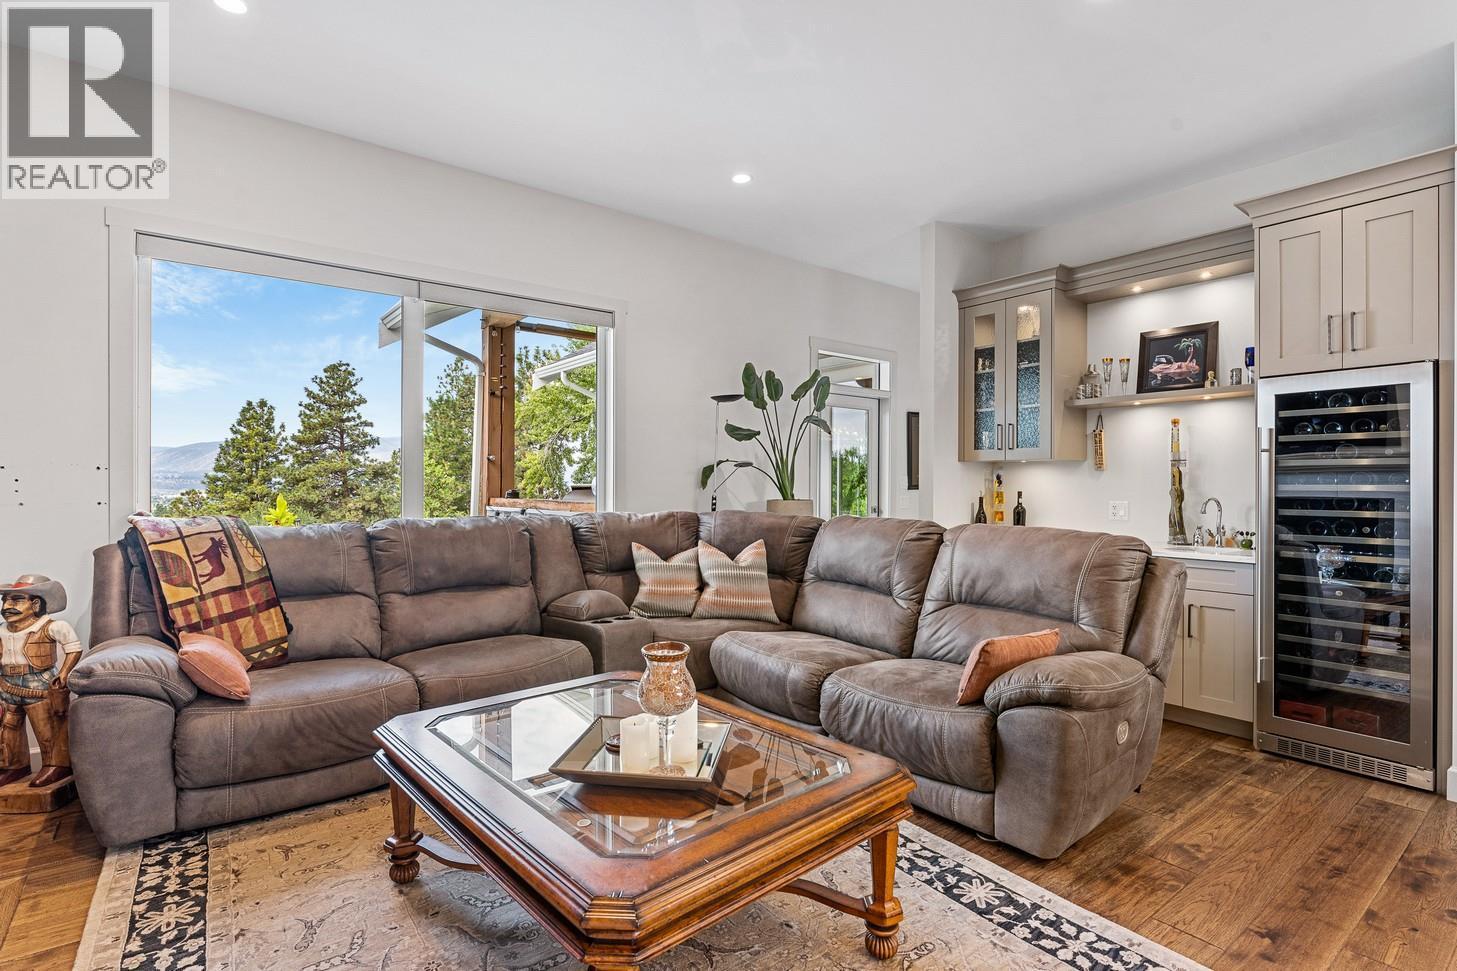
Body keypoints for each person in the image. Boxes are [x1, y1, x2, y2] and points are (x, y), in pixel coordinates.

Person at [0, 575, 80, 788]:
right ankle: (14, 765)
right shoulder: (2, 630)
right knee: (8, 730)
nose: (7, 606)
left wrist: (63, 674)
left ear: (35, 604)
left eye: (16, 600)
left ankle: (57, 765)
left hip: (39, 684)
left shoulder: (51, 626)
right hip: (6, 685)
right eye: (5, 600)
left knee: (47, 728)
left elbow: (73, 648)